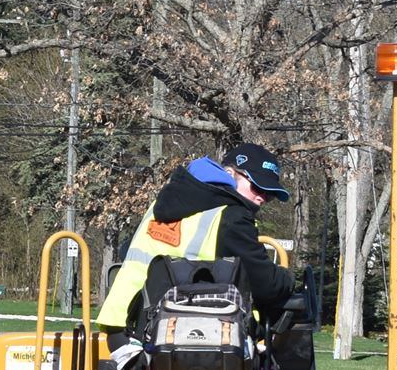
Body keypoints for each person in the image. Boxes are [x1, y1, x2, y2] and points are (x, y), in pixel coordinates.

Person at [98, 141, 295, 331]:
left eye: (270, 195)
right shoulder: (231, 217)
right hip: (181, 329)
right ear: (229, 173)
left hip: (122, 323)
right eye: (257, 187)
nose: (262, 198)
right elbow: (265, 285)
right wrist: (287, 279)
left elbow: (128, 250)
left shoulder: (164, 201)